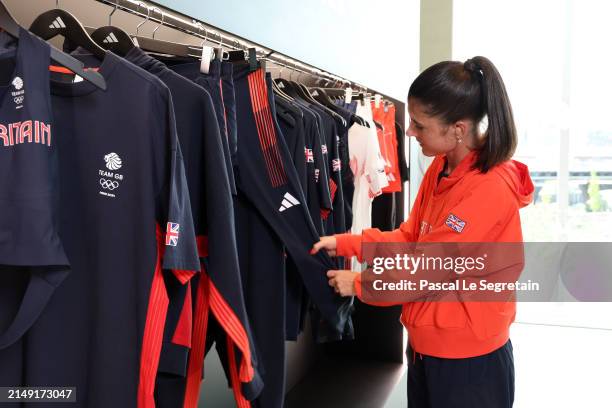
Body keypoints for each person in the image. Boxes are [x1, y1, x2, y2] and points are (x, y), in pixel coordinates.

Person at [311, 56, 534, 407]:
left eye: (419, 124)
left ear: (457, 129)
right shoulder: (441, 169)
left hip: (468, 362)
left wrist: (357, 284)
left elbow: (423, 270)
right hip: (427, 348)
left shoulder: (488, 190)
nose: (410, 132)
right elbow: (411, 238)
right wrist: (348, 243)